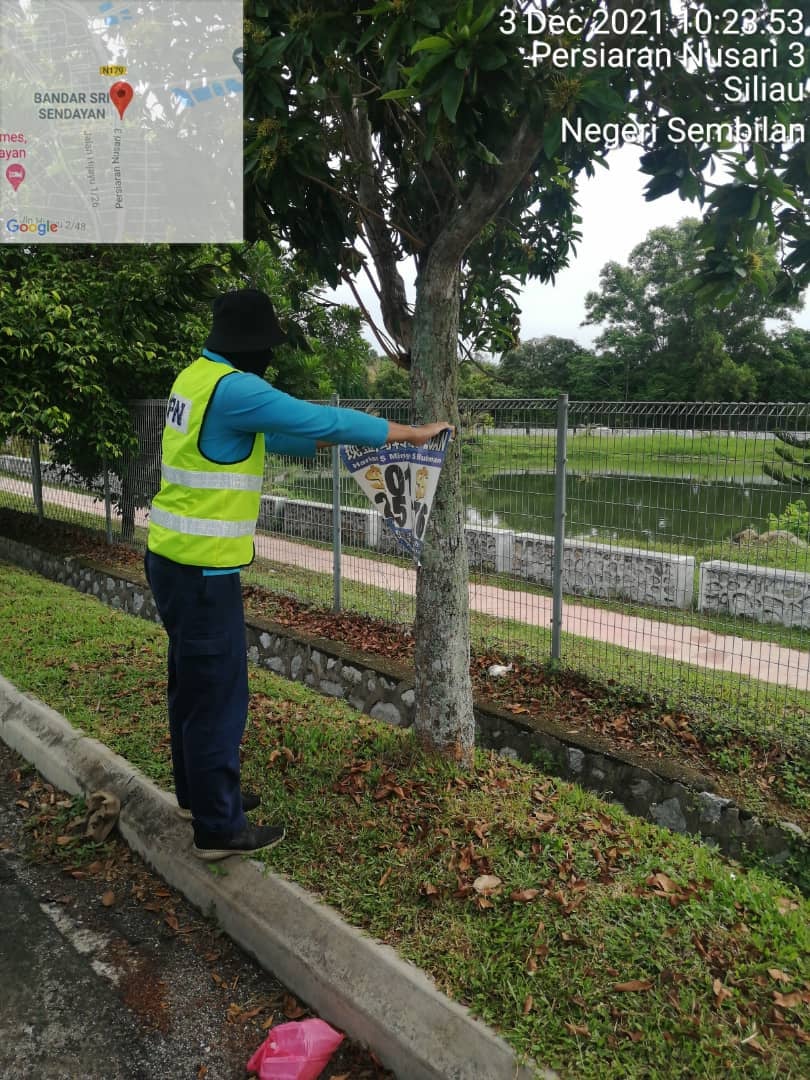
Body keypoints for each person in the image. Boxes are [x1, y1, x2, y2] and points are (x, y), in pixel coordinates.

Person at [145, 288, 452, 860]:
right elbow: (320, 417)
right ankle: (218, 829)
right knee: (217, 695)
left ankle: (200, 795)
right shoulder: (238, 388)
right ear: (253, 345)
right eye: (267, 347)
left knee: (190, 686)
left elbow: (280, 433)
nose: (269, 358)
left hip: (170, 560)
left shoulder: (195, 379)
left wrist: (326, 440)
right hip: (203, 574)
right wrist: (406, 435)